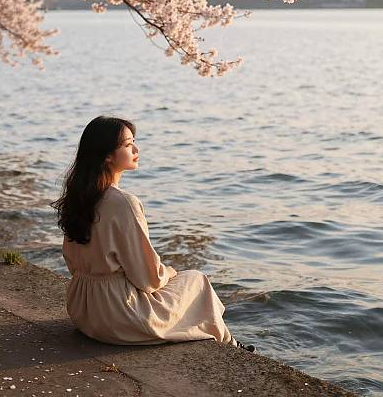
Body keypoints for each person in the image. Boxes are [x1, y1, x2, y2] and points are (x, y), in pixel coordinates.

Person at [52, 116, 255, 352]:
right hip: (119, 318)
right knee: (196, 280)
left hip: (83, 311)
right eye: (128, 145)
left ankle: (229, 342)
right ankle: (230, 344)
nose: (136, 149)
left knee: (183, 287)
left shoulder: (78, 197)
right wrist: (168, 273)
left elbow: (72, 262)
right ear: (107, 156)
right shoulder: (123, 203)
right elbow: (148, 279)